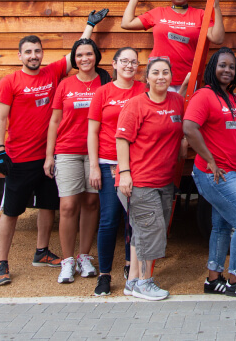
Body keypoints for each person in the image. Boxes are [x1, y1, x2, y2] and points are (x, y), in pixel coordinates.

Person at [0, 8, 108, 286]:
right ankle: (1, 262)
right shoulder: (10, 81)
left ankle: (42, 251)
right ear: (20, 55)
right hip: (19, 157)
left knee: (48, 207)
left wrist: (90, 25)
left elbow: (78, 54)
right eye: (28, 52)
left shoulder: (52, 73)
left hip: (48, 157)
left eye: (37, 51)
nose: (33, 56)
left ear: (42, 54)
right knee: (11, 211)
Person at [183, 47, 236, 299]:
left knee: (221, 225)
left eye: (231, 67)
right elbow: (189, 127)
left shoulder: (234, 99)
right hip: (216, 174)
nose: (227, 70)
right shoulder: (204, 96)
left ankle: (213, 279)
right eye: (222, 65)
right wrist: (210, 160)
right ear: (212, 68)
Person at [116, 57, 186, 301]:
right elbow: (122, 139)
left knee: (142, 232)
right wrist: (124, 173)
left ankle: (133, 281)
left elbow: (181, 129)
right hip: (139, 182)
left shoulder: (177, 101)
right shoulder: (136, 104)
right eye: (155, 72)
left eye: (165, 72)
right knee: (151, 231)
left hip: (164, 180)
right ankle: (145, 282)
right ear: (147, 78)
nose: (161, 76)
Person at [43, 38, 111, 284]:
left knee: (92, 203)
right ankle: (67, 260)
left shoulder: (105, 83)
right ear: (75, 58)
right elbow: (54, 122)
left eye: (89, 54)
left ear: (96, 57)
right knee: (68, 206)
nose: (85, 59)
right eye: (80, 55)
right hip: (68, 150)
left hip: (97, 152)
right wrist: (49, 155)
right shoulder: (65, 85)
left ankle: (84, 257)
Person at [87, 47, 147, 296]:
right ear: (114, 64)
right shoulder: (103, 92)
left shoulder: (143, 90)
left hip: (136, 165)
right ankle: (104, 275)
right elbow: (92, 131)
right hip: (107, 163)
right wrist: (93, 166)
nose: (129, 66)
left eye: (134, 62)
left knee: (132, 220)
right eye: (124, 61)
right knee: (109, 219)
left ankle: (128, 266)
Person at [120, 0, 224, 90]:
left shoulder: (200, 15)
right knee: (160, 109)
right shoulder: (158, 13)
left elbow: (217, 39)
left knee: (184, 110)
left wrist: (216, 7)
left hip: (187, 79)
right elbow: (126, 23)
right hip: (159, 77)